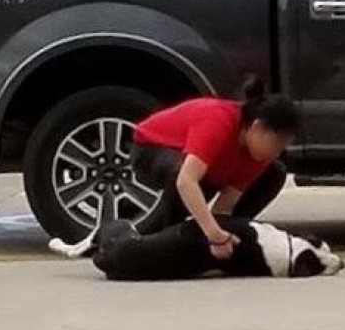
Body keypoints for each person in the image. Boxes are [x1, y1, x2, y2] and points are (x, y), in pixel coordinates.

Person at [128, 78, 300, 261]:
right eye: (275, 144)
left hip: (205, 170)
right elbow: (186, 181)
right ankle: (159, 237)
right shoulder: (218, 121)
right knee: (185, 178)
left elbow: (225, 205)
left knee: (275, 172)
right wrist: (212, 233)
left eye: (282, 148)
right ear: (257, 127)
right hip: (153, 149)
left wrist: (221, 234)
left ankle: (233, 239)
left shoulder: (259, 155)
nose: (276, 152)